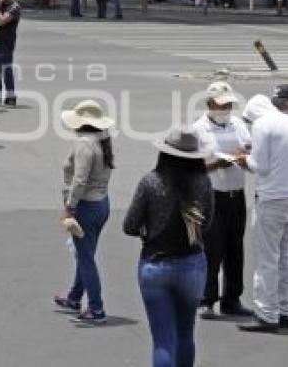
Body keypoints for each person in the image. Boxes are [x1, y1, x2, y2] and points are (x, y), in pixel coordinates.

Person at [124, 128, 213, 367]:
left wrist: (148, 230)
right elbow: (208, 223)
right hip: (192, 262)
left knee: (163, 340)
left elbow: (130, 225)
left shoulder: (151, 181)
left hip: (156, 262)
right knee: (186, 334)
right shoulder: (203, 182)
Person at [236, 90, 288, 332]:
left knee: (268, 259)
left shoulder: (262, 125)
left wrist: (244, 160)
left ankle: (267, 315)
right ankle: (284, 311)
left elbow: (261, 166)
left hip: (271, 198)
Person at [192, 82, 253, 319]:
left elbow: (248, 147)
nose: (225, 108)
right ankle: (206, 299)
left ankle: (232, 299)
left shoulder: (237, 124)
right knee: (211, 249)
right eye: (221, 104)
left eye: (228, 104)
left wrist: (243, 155)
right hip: (212, 196)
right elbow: (192, 167)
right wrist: (217, 164)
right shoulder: (198, 130)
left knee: (235, 248)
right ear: (209, 104)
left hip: (236, 194)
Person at [54, 100, 115, 325]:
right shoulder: (102, 141)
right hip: (101, 203)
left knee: (86, 257)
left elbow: (80, 180)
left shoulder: (84, 145)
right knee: (85, 253)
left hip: (86, 206)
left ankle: (96, 307)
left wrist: (69, 207)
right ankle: (74, 297)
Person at [0, 0, 20, 107]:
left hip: (6, 42)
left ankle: (10, 96)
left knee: (6, 69)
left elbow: (2, 21)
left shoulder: (14, 7)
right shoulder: (1, 5)